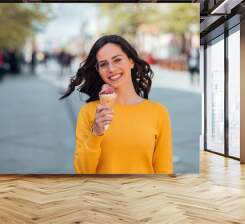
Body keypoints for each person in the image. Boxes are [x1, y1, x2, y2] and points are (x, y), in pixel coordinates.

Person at [60, 35, 173, 174]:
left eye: (117, 60)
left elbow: (164, 172)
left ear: (131, 61)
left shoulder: (158, 112)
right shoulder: (88, 112)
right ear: (98, 70)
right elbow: (82, 171)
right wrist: (96, 134)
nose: (111, 69)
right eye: (103, 64)